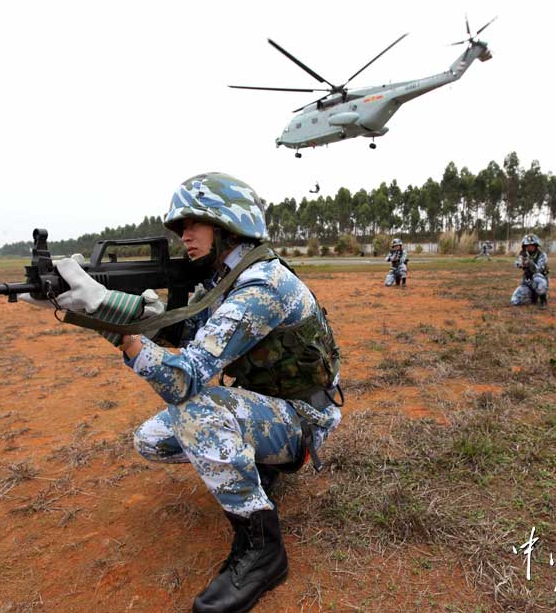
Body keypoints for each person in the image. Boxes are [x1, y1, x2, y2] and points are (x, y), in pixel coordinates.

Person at [45, 172, 342, 613]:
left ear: (227, 225)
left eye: (193, 224)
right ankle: (262, 463)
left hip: (302, 418)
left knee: (195, 407)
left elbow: (185, 378)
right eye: (180, 227)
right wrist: (121, 306)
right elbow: (192, 329)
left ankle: (262, 549)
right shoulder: (227, 278)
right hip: (269, 407)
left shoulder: (262, 285)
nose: (185, 236)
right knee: (151, 438)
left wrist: (116, 326)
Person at [510, 234, 549, 308]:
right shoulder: (523, 254)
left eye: (532, 245)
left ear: (536, 245)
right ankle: (532, 297)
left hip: (540, 278)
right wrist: (521, 263)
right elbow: (516, 263)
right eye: (527, 245)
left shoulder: (542, 255)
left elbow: (538, 268)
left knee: (539, 280)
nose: (529, 247)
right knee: (514, 301)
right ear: (524, 246)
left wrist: (530, 263)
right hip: (527, 280)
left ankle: (543, 300)